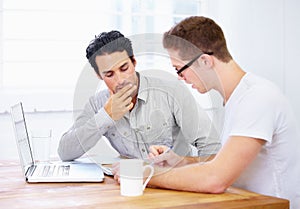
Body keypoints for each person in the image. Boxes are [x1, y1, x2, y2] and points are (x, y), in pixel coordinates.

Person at [146, 16, 300, 209]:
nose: (180, 78)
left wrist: (147, 176)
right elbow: (225, 161)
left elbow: (215, 178)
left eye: (179, 70)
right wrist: (181, 161)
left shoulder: (258, 98)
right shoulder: (237, 97)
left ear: (204, 61)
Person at [57, 30, 221, 162]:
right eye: (109, 74)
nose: (121, 80)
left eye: (124, 68)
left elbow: (211, 147)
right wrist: (106, 116)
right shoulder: (97, 104)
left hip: (176, 183)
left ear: (134, 62)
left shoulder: (171, 91)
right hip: (131, 185)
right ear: (99, 76)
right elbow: (65, 152)